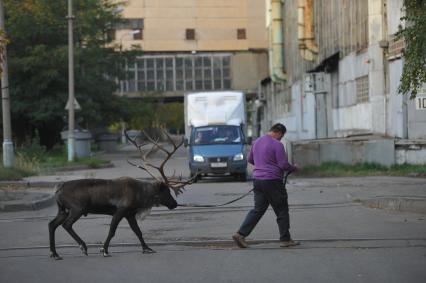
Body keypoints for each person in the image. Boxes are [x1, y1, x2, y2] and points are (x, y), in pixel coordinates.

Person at [232, 123, 299, 248]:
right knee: (281, 209)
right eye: (281, 136)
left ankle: (240, 234)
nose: (281, 139)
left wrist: (262, 163)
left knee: (258, 210)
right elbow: (283, 165)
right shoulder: (277, 145)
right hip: (272, 181)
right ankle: (285, 239)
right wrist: (294, 168)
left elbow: (251, 159)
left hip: (258, 180)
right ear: (279, 132)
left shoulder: (257, 142)